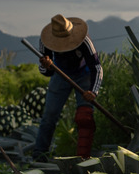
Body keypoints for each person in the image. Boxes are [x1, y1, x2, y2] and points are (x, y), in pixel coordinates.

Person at [34, 14, 102, 160]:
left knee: (85, 117)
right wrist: (47, 66)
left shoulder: (85, 41)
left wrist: (93, 91)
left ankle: (83, 159)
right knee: (49, 115)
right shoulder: (45, 41)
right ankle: (39, 155)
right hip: (60, 74)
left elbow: (96, 67)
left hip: (84, 75)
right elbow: (45, 72)